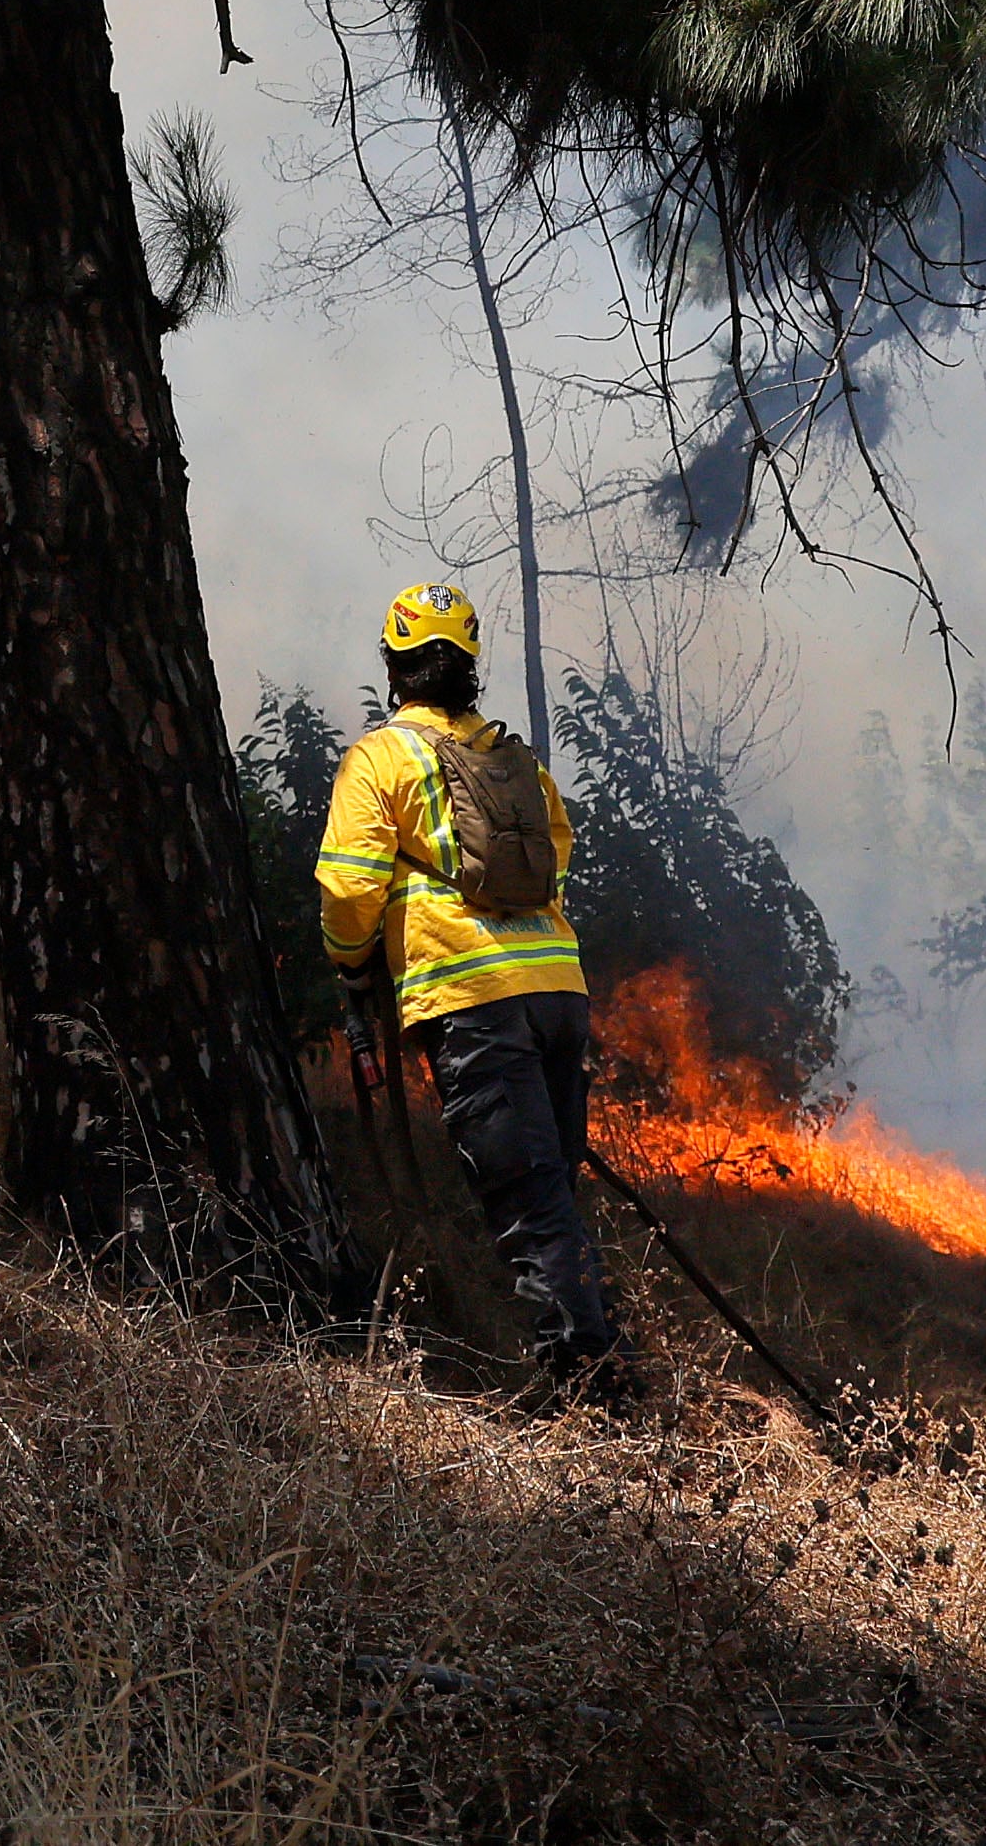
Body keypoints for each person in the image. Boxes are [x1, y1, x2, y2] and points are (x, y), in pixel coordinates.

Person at [316, 582, 628, 1392]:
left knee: (531, 1207)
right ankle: (611, 1363)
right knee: (553, 1192)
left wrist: (350, 962)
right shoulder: (511, 759)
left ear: (393, 665)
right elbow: (555, 854)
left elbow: (349, 887)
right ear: (467, 664)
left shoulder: (380, 757)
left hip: (472, 1000)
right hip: (558, 993)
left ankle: (590, 1396)